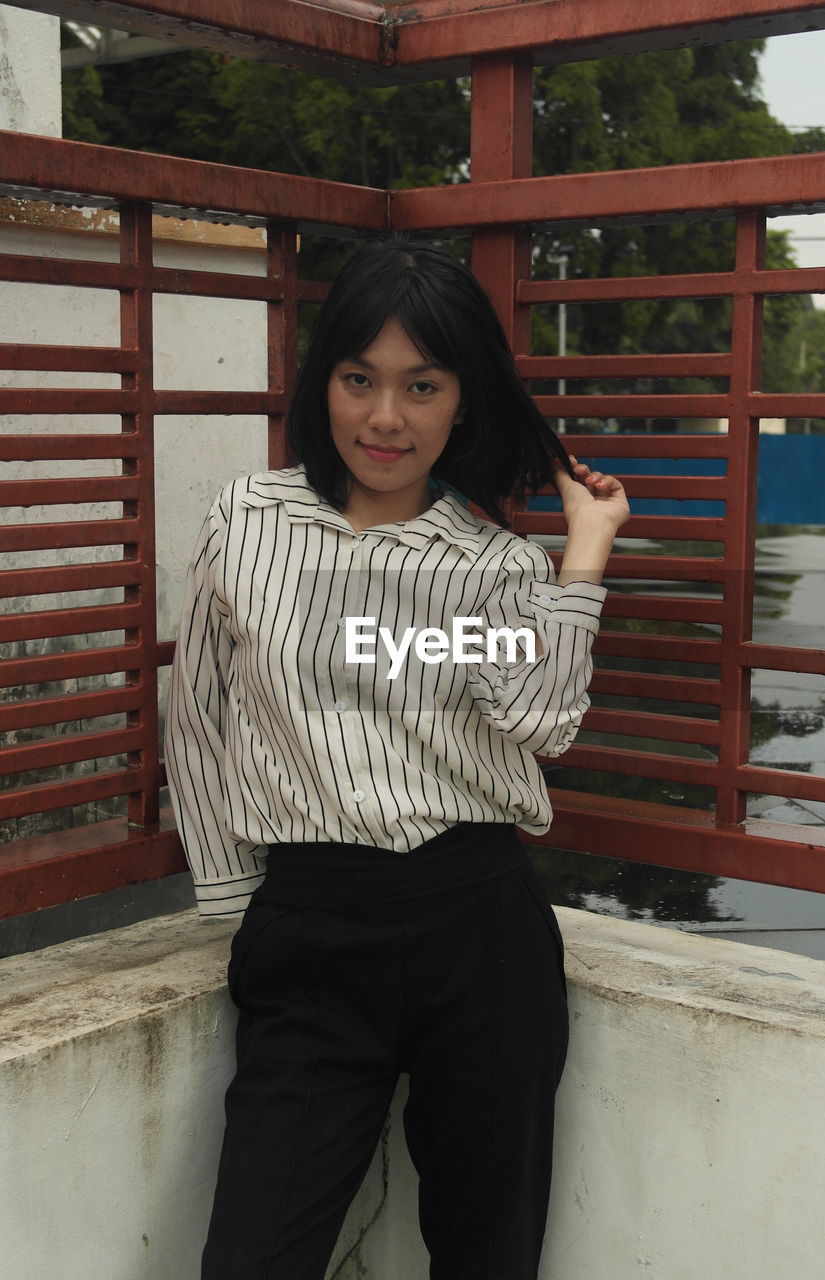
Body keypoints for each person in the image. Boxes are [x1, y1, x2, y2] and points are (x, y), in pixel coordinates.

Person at [164, 239, 629, 1280]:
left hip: (478, 928)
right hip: (311, 933)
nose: (385, 418)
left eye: (421, 385)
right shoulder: (249, 522)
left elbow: (543, 717)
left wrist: (583, 553)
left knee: (485, 1252)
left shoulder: (488, 563)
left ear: (461, 401)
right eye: (358, 379)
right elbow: (199, 708)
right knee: (251, 1253)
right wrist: (240, 897)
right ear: (320, 381)